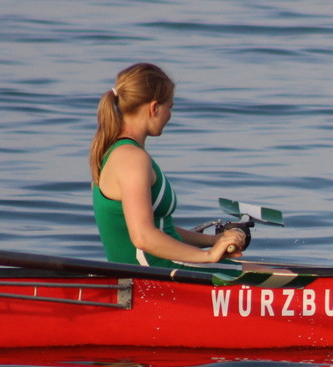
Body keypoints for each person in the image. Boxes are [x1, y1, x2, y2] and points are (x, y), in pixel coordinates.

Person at [90, 63, 245, 269]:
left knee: (271, 273)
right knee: (278, 281)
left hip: (158, 267)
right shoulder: (132, 159)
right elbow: (143, 237)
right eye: (169, 108)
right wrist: (208, 256)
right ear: (154, 108)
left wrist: (213, 241)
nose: (170, 116)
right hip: (154, 274)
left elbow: (160, 227)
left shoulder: (114, 152)